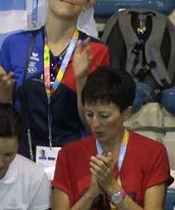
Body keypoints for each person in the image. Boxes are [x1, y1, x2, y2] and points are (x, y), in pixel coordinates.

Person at [0, 0, 110, 163]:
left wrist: (81, 80)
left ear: (86, 1)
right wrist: (2, 91)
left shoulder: (95, 51)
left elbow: (94, 125)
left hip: (77, 163)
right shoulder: (15, 44)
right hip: (23, 160)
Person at [52, 67, 173, 209]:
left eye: (104, 116)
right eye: (89, 114)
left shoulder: (153, 153)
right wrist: (91, 194)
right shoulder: (68, 155)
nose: (95, 124)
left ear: (126, 113)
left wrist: (112, 188)